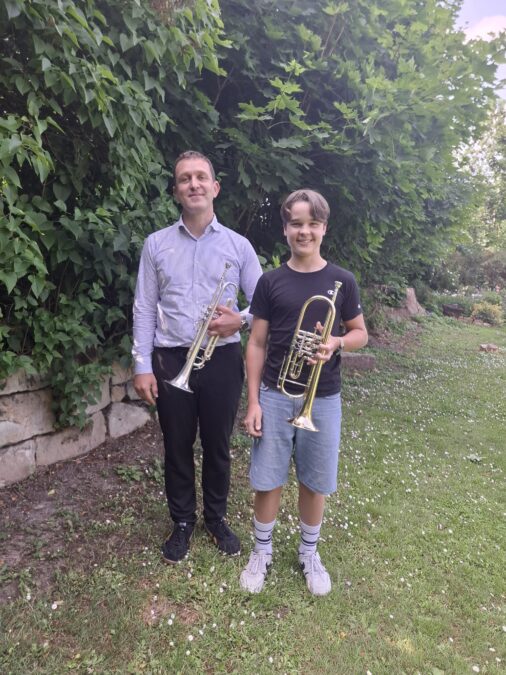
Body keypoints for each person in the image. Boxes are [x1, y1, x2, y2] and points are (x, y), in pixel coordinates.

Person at [132, 151, 262, 564]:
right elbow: (144, 307)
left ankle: (216, 518)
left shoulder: (238, 245)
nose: (194, 184)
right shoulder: (156, 244)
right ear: (176, 191)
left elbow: (264, 302)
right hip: (170, 359)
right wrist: (141, 365)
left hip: (222, 357)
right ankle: (183, 521)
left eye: (201, 177)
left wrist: (239, 320)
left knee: (218, 444)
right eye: (185, 179)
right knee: (176, 444)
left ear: (215, 187)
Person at [240, 189, 368, 596]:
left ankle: (309, 553)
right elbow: (256, 343)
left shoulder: (342, 281)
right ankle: (262, 551)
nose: (304, 231)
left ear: (324, 228)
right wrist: (254, 401)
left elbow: (360, 333)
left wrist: (336, 342)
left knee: (314, 481)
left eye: (312, 223)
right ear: (285, 229)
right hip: (275, 395)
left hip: (322, 397)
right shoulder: (270, 281)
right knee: (268, 479)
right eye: (296, 223)